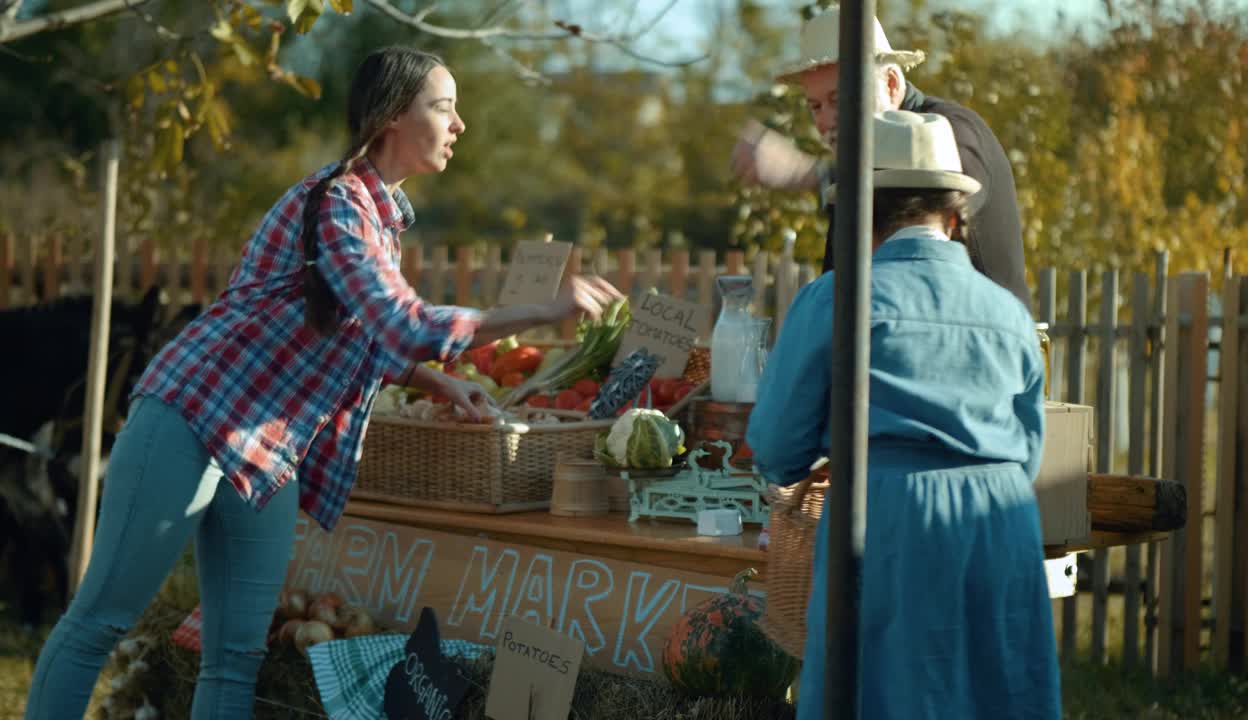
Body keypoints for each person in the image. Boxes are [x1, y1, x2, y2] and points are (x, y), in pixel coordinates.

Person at [24, 46, 624, 719]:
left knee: (236, 658)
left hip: (268, 446)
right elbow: (406, 322)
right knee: (99, 623)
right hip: (192, 416)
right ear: (394, 116)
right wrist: (547, 307)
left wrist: (435, 383)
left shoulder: (379, 220)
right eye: (445, 107)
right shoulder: (337, 203)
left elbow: (363, 335)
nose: (460, 126)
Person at [746, 111, 1060, 719]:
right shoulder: (1009, 313)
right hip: (1001, 523)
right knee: (997, 693)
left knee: (881, 696)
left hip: (889, 522)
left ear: (862, 216)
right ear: (952, 217)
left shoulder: (835, 298)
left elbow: (778, 447)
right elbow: (1028, 450)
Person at [731, 8, 1031, 309]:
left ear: (890, 83)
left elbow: (931, 192)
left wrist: (807, 172)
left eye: (840, 100)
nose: (826, 120)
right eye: (816, 106)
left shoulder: (952, 130)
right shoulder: (856, 168)